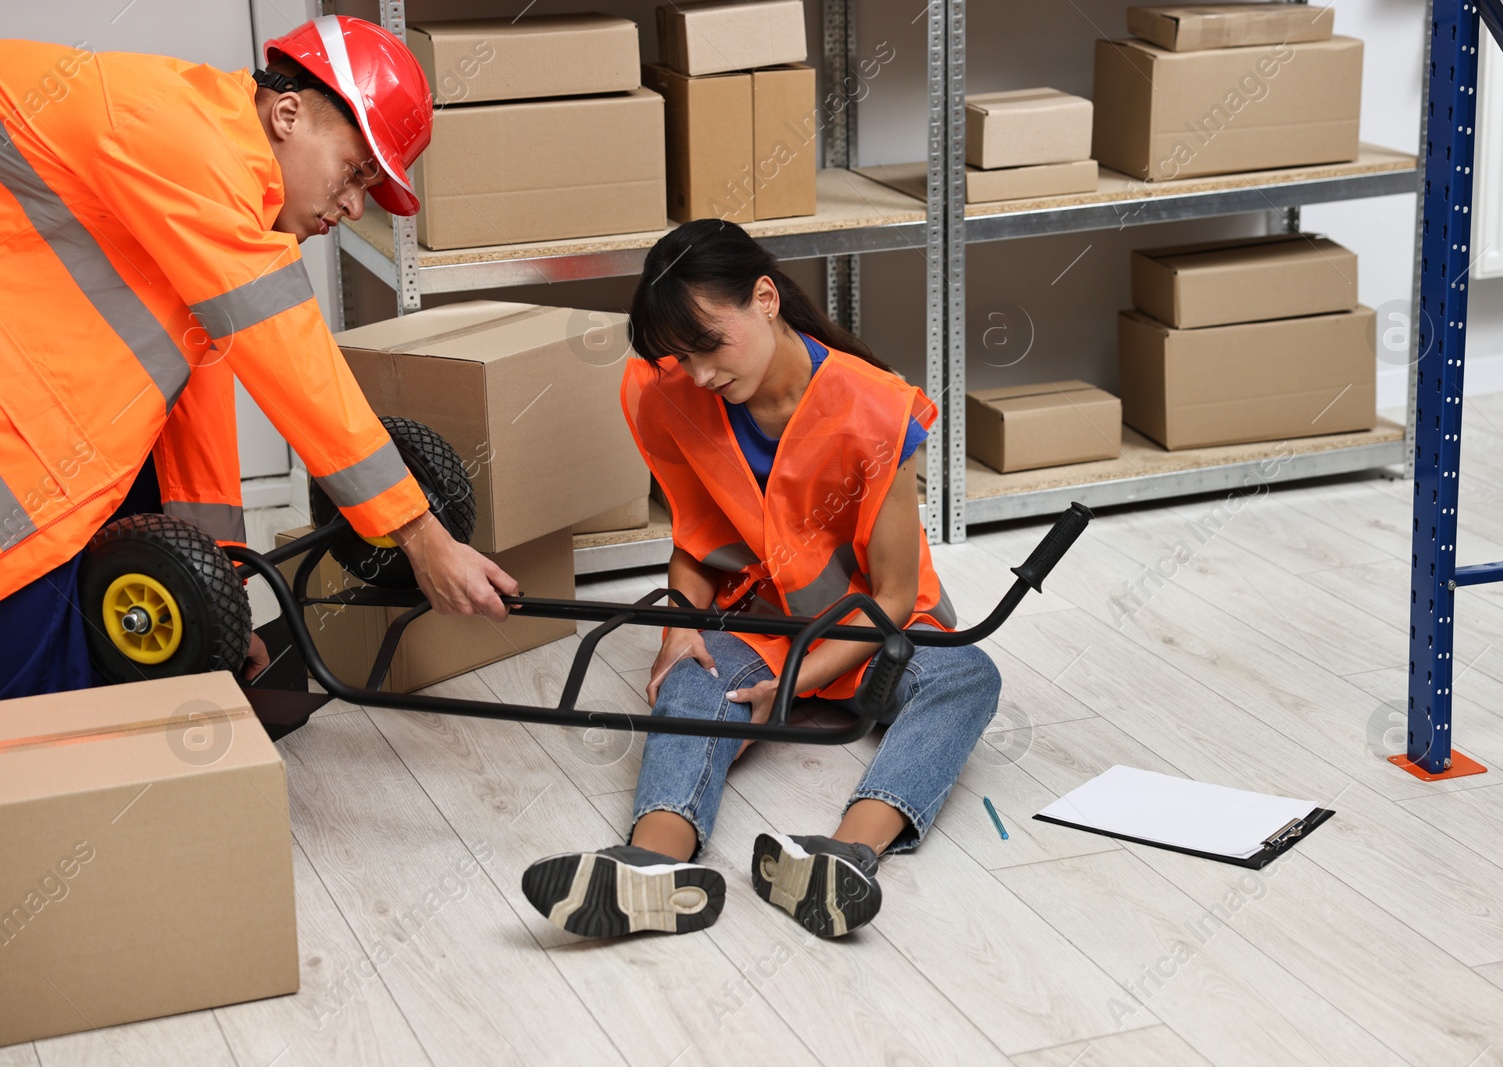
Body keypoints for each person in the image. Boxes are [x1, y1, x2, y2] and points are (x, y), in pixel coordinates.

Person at [0, 17, 518, 699]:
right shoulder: (193, 144)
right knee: (36, 641)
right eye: (353, 169)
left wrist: (215, 598)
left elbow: (197, 404)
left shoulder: (208, 194)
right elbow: (288, 353)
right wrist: (418, 534)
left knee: (121, 492)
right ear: (287, 113)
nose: (353, 204)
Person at [522, 220, 1002, 939]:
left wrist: (796, 684)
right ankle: (651, 866)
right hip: (764, 618)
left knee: (966, 676)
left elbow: (895, 595)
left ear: (766, 298)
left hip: (874, 628)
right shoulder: (664, 390)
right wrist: (680, 629)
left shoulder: (875, 406)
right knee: (690, 680)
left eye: (710, 345)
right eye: (680, 359)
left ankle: (846, 856)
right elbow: (697, 540)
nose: (700, 375)